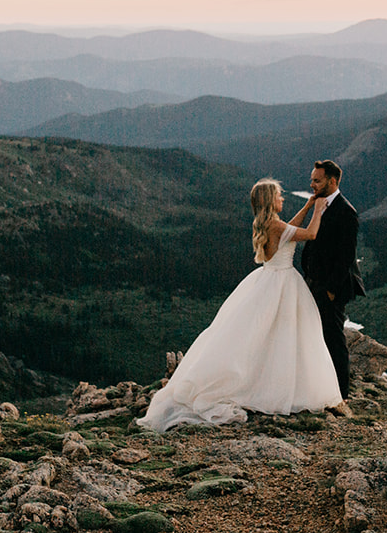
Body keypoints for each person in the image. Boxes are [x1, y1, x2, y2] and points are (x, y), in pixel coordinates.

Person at [136, 178, 343, 431]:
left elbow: (289, 229)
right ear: (270, 201)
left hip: (267, 280)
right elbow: (309, 234)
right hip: (283, 283)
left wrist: (308, 206)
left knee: (262, 336)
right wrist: (319, 211)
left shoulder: (268, 224)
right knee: (286, 336)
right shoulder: (276, 226)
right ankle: (278, 387)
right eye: (279, 196)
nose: (283, 199)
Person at [296, 159, 366, 407]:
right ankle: (320, 389)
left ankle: (340, 395)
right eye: (312, 180)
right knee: (315, 337)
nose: (312, 184)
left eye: (317, 180)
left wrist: (332, 291)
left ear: (332, 181)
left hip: (330, 289)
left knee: (333, 339)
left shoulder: (346, 211)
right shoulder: (320, 204)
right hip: (314, 283)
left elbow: (346, 256)